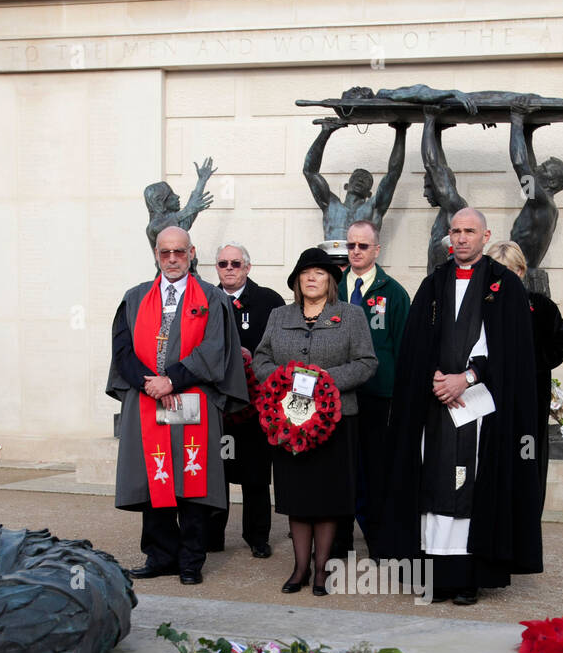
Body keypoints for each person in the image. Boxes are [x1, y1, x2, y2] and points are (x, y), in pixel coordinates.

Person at [380, 209, 542, 606]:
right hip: (435, 406)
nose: (461, 238)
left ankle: (468, 576)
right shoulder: (433, 284)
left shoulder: (504, 286)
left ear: (485, 235)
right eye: (455, 231)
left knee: (468, 487)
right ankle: (434, 575)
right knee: (434, 483)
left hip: (481, 409)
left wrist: (466, 378)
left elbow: (512, 353)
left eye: (469, 231)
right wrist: (434, 377)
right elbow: (415, 345)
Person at [106, 226, 246, 585]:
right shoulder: (135, 298)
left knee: (192, 482)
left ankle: (190, 561)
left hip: (193, 401)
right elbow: (122, 349)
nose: (172, 258)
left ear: (192, 253)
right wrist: (149, 383)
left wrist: (173, 379)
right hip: (148, 401)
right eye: (165, 252)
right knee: (156, 479)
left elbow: (215, 348)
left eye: (179, 252)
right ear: (156, 254)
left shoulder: (212, 298)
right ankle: (160, 556)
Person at [251, 247, 377, 595]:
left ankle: (322, 570)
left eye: (319, 273)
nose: (311, 278)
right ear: (295, 281)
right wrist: (283, 378)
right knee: (297, 496)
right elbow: (260, 361)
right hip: (288, 423)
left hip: (334, 422)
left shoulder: (350, 316)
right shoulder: (278, 315)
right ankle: (299, 568)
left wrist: (324, 382)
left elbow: (367, 363)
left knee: (327, 497)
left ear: (331, 281)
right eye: (305, 273)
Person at [332, 221, 411, 559]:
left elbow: (405, 347)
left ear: (377, 250)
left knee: (376, 470)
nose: (356, 251)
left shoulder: (392, 292)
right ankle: (339, 539)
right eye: (351, 246)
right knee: (340, 469)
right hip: (335, 395)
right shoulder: (331, 288)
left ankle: (379, 539)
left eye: (363, 246)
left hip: (379, 396)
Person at [206, 242, 285, 559]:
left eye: (235, 263)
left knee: (255, 475)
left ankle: (257, 537)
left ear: (247, 267)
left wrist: (255, 359)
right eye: (223, 263)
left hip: (256, 406)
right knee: (216, 474)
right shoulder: (204, 300)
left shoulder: (269, 301)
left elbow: (281, 346)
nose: (229, 269)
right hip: (217, 406)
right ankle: (212, 536)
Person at [487, 240, 563, 508]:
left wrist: (532, 364)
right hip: (489, 397)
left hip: (529, 400)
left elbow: (561, 341)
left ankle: (527, 515)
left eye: (507, 271)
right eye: (494, 271)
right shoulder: (482, 304)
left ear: (520, 271)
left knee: (527, 459)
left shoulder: (541, 307)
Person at [303, 118, 408, 241]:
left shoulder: (372, 208)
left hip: (361, 259)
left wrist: (401, 132)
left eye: (366, 180)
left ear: (369, 193)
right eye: (356, 177)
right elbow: (310, 171)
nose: (360, 180)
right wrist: (325, 132)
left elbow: (393, 175)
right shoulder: (331, 204)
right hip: (332, 258)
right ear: (346, 186)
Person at [508, 111, 563, 294]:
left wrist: (517, 121)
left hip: (522, 277)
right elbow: (529, 166)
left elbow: (521, 165)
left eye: (544, 169)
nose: (537, 169)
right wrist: (527, 133)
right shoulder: (541, 202)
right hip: (522, 272)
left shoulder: (542, 203)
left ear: (551, 182)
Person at [143, 158, 216, 270]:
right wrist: (188, 210)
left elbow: (193, 206)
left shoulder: (176, 223)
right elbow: (188, 210)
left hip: (190, 279)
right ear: (160, 202)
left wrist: (202, 180)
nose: (177, 197)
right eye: (171, 196)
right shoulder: (154, 227)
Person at [421, 108, 468, 273]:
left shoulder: (454, 206)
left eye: (428, 187)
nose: (425, 194)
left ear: (440, 187)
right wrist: (436, 133)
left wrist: (429, 119)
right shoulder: (446, 209)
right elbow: (441, 166)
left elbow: (433, 165)